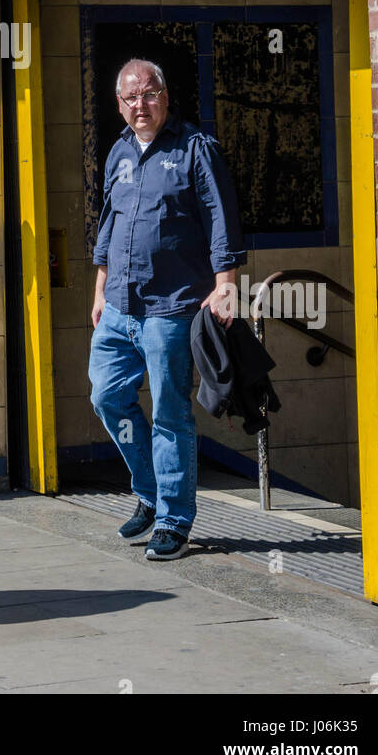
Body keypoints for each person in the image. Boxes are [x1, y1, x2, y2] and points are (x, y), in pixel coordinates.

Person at [89, 59, 246, 561]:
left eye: (150, 94)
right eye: (131, 97)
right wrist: (100, 289)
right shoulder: (117, 152)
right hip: (119, 306)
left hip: (172, 307)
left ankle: (174, 519)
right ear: (119, 104)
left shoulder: (195, 149)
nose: (141, 104)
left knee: (170, 414)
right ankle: (150, 492)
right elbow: (109, 224)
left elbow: (222, 217)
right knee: (107, 396)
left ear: (166, 96)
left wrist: (225, 285)